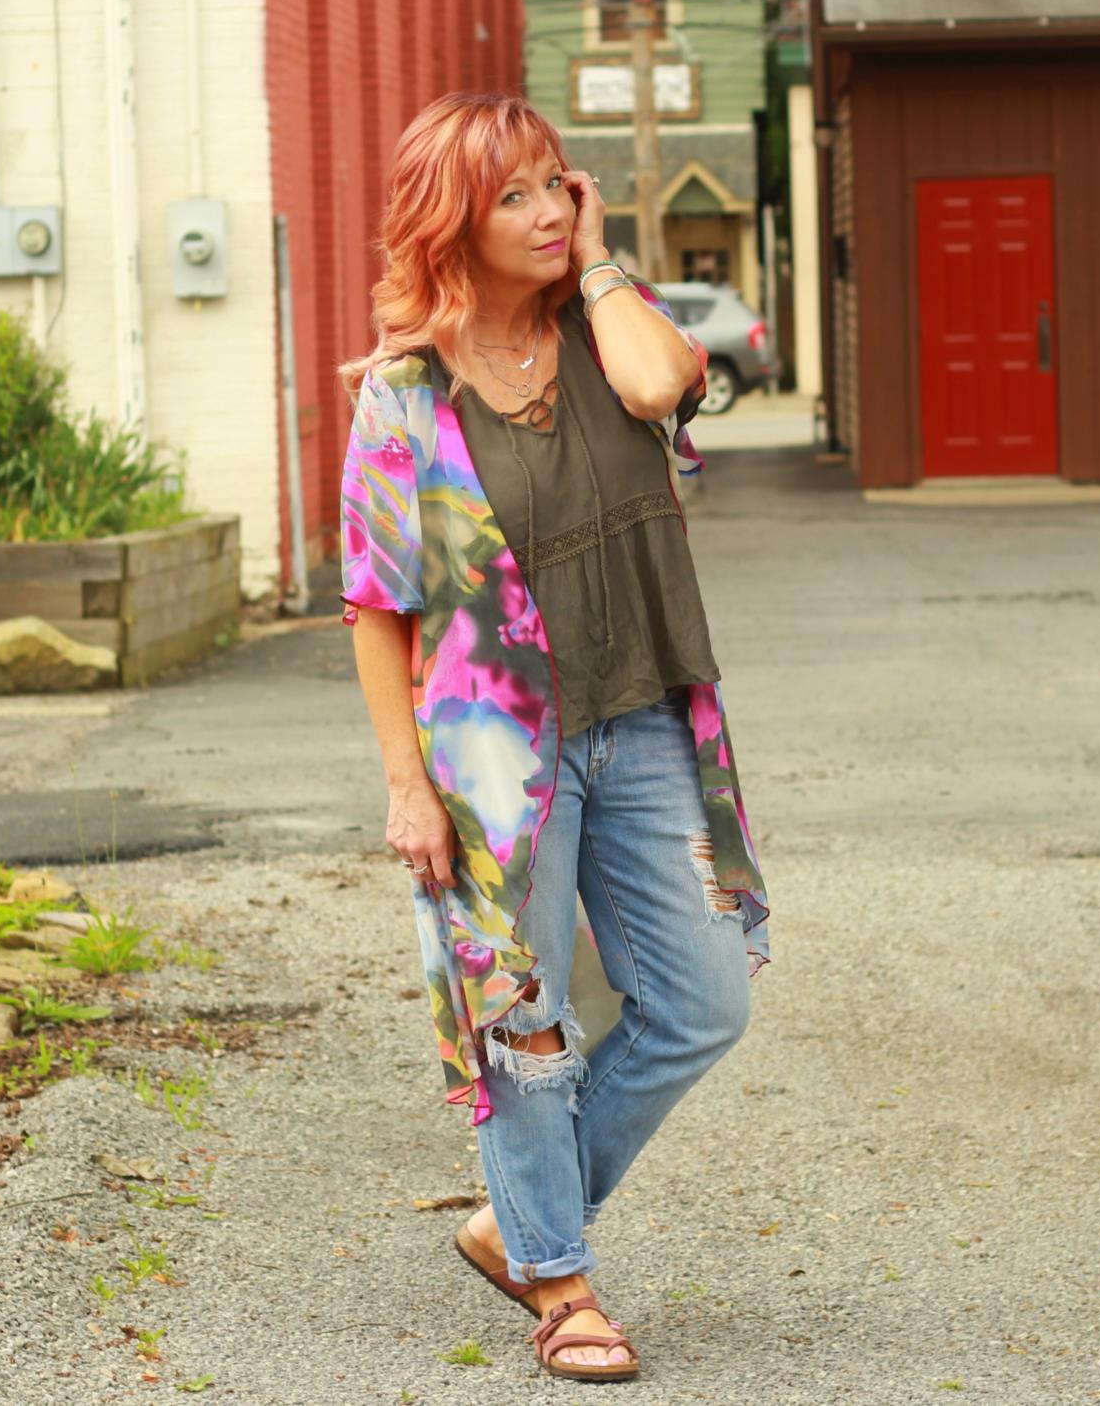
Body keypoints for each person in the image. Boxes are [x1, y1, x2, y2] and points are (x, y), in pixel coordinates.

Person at [338, 92, 771, 1383]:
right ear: (452, 222)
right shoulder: (406, 397)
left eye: (553, 186)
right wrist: (405, 786)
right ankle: (565, 1290)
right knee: (524, 1024)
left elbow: (662, 382)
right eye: (513, 196)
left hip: (644, 720)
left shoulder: (607, 338)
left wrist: (593, 260)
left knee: (700, 1000)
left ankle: (514, 1227)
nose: (541, 210)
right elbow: (376, 605)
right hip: (493, 762)